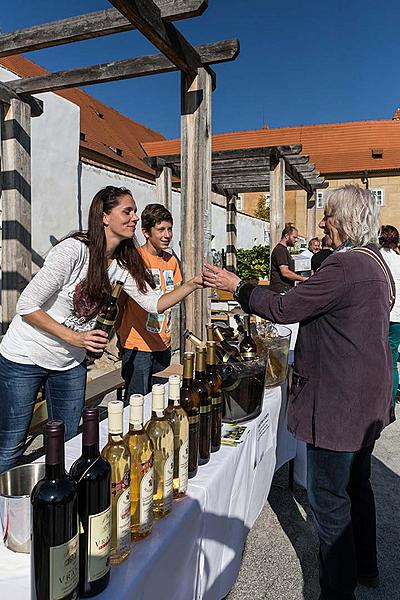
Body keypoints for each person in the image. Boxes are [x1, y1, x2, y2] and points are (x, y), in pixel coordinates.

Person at [204, 184, 393, 600]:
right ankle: (367, 568)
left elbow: (285, 309)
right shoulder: (375, 263)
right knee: (358, 485)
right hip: (368, 398)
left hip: (340, 403)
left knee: (330, 502)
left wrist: (238, 286)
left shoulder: (344, 267)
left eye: (327, 216)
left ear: (342, 222)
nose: (322, 223)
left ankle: (337, 592)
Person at [0, 186, 202, 474]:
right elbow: (27, 305)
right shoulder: (73, 251)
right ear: (105, 216)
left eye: (135, 212)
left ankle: (60, 507)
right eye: (127, 211)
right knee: (11, 445)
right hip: (24, 357)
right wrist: (76, 337)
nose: (134, 218)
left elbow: (153, 303)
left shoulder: (122, 264)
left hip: (69, 363)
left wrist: (191, 285)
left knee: (69, 443)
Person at [117, 203, 182, 398]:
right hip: (138, 345)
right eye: (161, 229)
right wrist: (120, 336)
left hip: (163, 344)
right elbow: (120, 301)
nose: (167, 235)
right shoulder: (135, 259)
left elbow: (173, 296)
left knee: (158, 401)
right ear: (146, 232)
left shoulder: (172, 261)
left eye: (169, 229)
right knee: (136, 402)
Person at [379, 225, 400, 407]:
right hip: (398, 316)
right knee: (392, 360)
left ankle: (377, 399)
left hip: (380, 314)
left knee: (375, 358)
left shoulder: (376, 258)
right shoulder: (399, 260)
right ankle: (390, 402)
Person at [269, 223, 307, 292]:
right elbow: (285, 272)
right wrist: (304, 279)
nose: (296, 240)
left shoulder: (283, 249)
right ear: (286, 236)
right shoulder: (280, 250)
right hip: (281, 290)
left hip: (284, 289)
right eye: (294, 237)